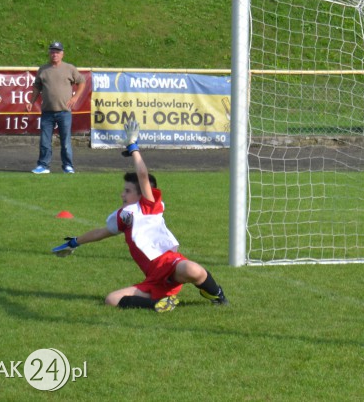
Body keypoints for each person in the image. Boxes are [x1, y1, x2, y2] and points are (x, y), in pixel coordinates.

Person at [51, 120, 229, 312]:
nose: (122, 194)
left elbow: (142, 174)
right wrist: (74, 242)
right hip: (154, 278)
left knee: (193, 270)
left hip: (170, 265)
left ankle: (216, 294)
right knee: (112, 299)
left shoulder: (150, 206)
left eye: (127, 191)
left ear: (142, 194)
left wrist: (133, 147)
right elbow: (100, 233)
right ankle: (158, 305)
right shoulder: (123, 216)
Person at [26, 41, 86, 174]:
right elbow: (37, 87)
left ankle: (67, 166)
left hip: (64, 112)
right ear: (49, 53)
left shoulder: (69, 68)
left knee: (65, 141)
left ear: (62, 54)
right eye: (52, 52)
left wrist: (75, 98)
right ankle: (43, 165)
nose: (55, 54)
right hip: (47, 112)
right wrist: (31, 101)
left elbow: (82, 82)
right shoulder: (43, 69)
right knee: (45, 141)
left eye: (57, 52)